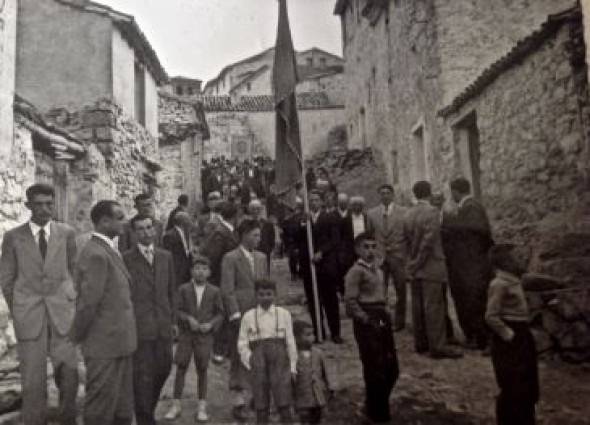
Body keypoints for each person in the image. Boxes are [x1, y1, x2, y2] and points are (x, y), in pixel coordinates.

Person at [0, 183, 79, 425]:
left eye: (49, 203)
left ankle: (67, 419)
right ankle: (35, 420)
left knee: (69, 372)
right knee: (32, 378)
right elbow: (7, 278)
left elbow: (74, 270)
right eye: (38, 204)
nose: (45, 209)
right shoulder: (13, 237)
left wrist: (69, 299)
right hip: (29, 314)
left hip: (62, 313)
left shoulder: (66, 233)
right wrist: (19, 308)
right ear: (28, 206)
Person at [71, 200, 136, 425]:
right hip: (104, 346)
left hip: (120, 343)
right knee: (100, 410)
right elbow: (88, 304)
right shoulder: (96, 254)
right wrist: (78, 337)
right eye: (119, 217)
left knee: (121, 409)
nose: (125, 221)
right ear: (103, 221)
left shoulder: (109, 249)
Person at [122, 215, 176, 425]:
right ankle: (145, 418)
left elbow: (171, 291)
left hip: (163, 326)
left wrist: (172, 321)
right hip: (140, 327)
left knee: (163, 370)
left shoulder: (166, 257)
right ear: (134, 234)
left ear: (154, 230)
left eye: (149, 227)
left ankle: (147, 411)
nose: (146, 232)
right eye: (141, 229)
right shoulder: (126, 258)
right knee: (142, 376)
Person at [345, 231, 399, 424]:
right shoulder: (355, 272)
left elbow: (382, 295)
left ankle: (372, 403)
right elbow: (350, 302)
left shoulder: (378, 270)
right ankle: (378, 415)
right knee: (374, 368)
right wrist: (365, 319)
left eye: (373, 247)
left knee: (392, 368)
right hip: (366, 320)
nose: (370, 251)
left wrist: (386, 311)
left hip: (382, 317)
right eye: (365, 247)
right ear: (357, 249)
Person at [404, 181, 462, 359]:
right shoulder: (432, 212)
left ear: (415, 194)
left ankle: (421, 344)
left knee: (419, 307)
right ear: (429, 193)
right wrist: (419, 262)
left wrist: (411, 264)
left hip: (415, 267)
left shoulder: (408, 214)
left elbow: (407, 242)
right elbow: (428, 242)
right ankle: (437, 347)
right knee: (434, 307)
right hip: (430, 266)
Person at [165, 255, 224, 422]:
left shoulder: (214, 291)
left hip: (204, 337)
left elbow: (220, 313)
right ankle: (175, 405)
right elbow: (176, 310)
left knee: (202, 369)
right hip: (186, 336)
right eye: (197, 269)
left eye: (204, 269)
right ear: (191, 271)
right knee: (181, 367)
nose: (200, 272)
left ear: (209, 272)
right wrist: (187, 319)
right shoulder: (183, 289)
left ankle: (202, 406)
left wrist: (211, 325)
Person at [220, 219, 269, 422]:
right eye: (255, 235)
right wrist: (234, 314)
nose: (258, 239)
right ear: (244, 235)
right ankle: (238, 400)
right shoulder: (230, 258)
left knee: (259, 353)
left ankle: (257, 396)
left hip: (260, 312)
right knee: (239, 355)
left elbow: (266, 285)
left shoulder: (262, 257)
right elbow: (227, 288)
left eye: (260, 235)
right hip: (240, 314)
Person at [486, 244, 539, 425]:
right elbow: (491, 316)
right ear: (506, 263)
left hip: (522, 336)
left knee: (527, 381)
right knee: (512, 383)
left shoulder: (515, 281)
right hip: (509, 341)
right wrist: (509, 335)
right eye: (516, 258)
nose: (521, 260)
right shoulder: (499, 284)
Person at [443, 177, 494, 349]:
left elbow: (478, 233)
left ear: (456, 191)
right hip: (469, 264)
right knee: (470, 300)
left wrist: (451, 225)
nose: (452, 196)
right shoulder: (468, 207)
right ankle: (476, 337)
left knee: (474, 301)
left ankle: (481, 339)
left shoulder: (471, 207)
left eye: (452, 192)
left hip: (472, 265)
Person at [237, 279, 297, 424]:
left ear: (275, 295)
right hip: (258, 360)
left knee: (283, 397)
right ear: (256, 296)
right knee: (260, 398)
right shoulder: (248, 316)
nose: (265, 297)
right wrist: (250, 360)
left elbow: (290, 340)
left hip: (280, 359)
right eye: (261, 294)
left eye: (269, 294)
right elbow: (242, 343)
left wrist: (293, 365)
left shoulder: (283, 314)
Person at [297, 190, 343, 344]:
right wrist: (303, 224)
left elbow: (335, 240)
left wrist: (322, 252)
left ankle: (335, 332)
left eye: (316, 200)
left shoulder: (330, 218)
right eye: (311, 200)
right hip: (309, 265)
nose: (313, 203)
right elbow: (296, 239)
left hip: (326, 265)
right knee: (313, 299)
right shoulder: (303, 219)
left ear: (322, 202)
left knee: (330, 299)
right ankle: (318, 331)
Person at [201, 201, 240, 363]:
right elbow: (214, 259)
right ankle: (218, 349)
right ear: (235, 216)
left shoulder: (228, 231)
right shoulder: (220, 233)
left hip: (228, 278)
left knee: (228, 314)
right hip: (221, 280)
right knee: (223, 315)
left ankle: (227, 348)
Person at [367, 184, 408, 331]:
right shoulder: (371, 214)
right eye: (382, 193)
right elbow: (370, 236)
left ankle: (399, 321)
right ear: (379, 195)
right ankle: (382, 320)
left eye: (388, 193)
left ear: (392, 195)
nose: (385, 196)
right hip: (380, 257)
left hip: (398, 256)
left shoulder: (403, 212)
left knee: (400, 289)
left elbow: (407, 235)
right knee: (379, 290)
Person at [293, 320, 336, 424]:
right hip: (302, 396)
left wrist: (330, 386)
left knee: (317, 418)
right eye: (307, 335)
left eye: (313, 334)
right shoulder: (292, 356)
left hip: (317, 395)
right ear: (296, 338)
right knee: (305, 419)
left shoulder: (318, 353)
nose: (312, 337)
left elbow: (327, 371)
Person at [339, 195, 368, 295]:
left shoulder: (367, 218)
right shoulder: (346, 220)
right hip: (350, 251)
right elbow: (342, 237)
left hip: (364, 251)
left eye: (359, 205)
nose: (357, 207)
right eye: (354, 205)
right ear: (351, 206)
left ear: (362, 206)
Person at [163, 211, 193, 290]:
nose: (190, 222)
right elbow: (169, 255)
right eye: (188, 220)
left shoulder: (185, 233)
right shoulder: (170, 235)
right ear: (183, 222)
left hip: (186, 270)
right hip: (177, 271)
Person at [247, 199, 276, 271]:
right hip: (251, 252)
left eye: (258, 209)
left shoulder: (267, 223)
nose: (256, 211)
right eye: (253, 209)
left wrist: (268, 249)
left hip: (265, 252)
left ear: (260, 210)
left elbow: (271, 238)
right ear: (250, 210)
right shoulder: (246, 224)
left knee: (264, 273)